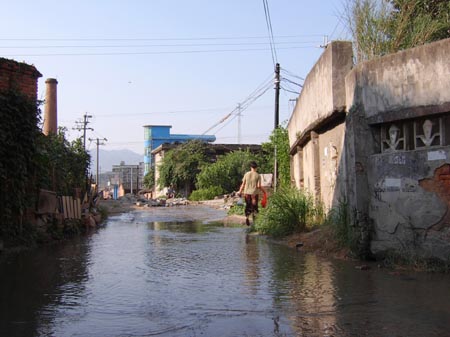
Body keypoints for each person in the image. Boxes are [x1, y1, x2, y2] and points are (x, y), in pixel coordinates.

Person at [238, 161, 266, 226]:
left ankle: (247, 218)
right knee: (254, 206)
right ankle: (254, 220)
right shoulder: (258, 175)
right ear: (256, 168)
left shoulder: (246, 174)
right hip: (254, 193)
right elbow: (258, 186)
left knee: (248, 205)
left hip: (246, 193)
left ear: (250, 167)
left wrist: (240, 191)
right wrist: (264, 191)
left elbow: (243, 184)